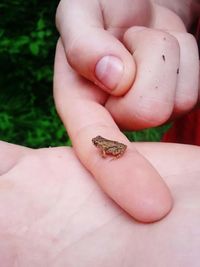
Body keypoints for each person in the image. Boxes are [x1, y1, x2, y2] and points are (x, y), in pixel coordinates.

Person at [54, 0, 200, 222]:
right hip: (184, 138)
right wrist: (164, 8)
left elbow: (108, 151)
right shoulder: (102, 144)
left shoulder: (104, 148)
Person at [1, 140, 200, 266]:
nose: (96, 146)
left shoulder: (103, 149)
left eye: (96, 144)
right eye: (97, 144)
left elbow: (106, 152)